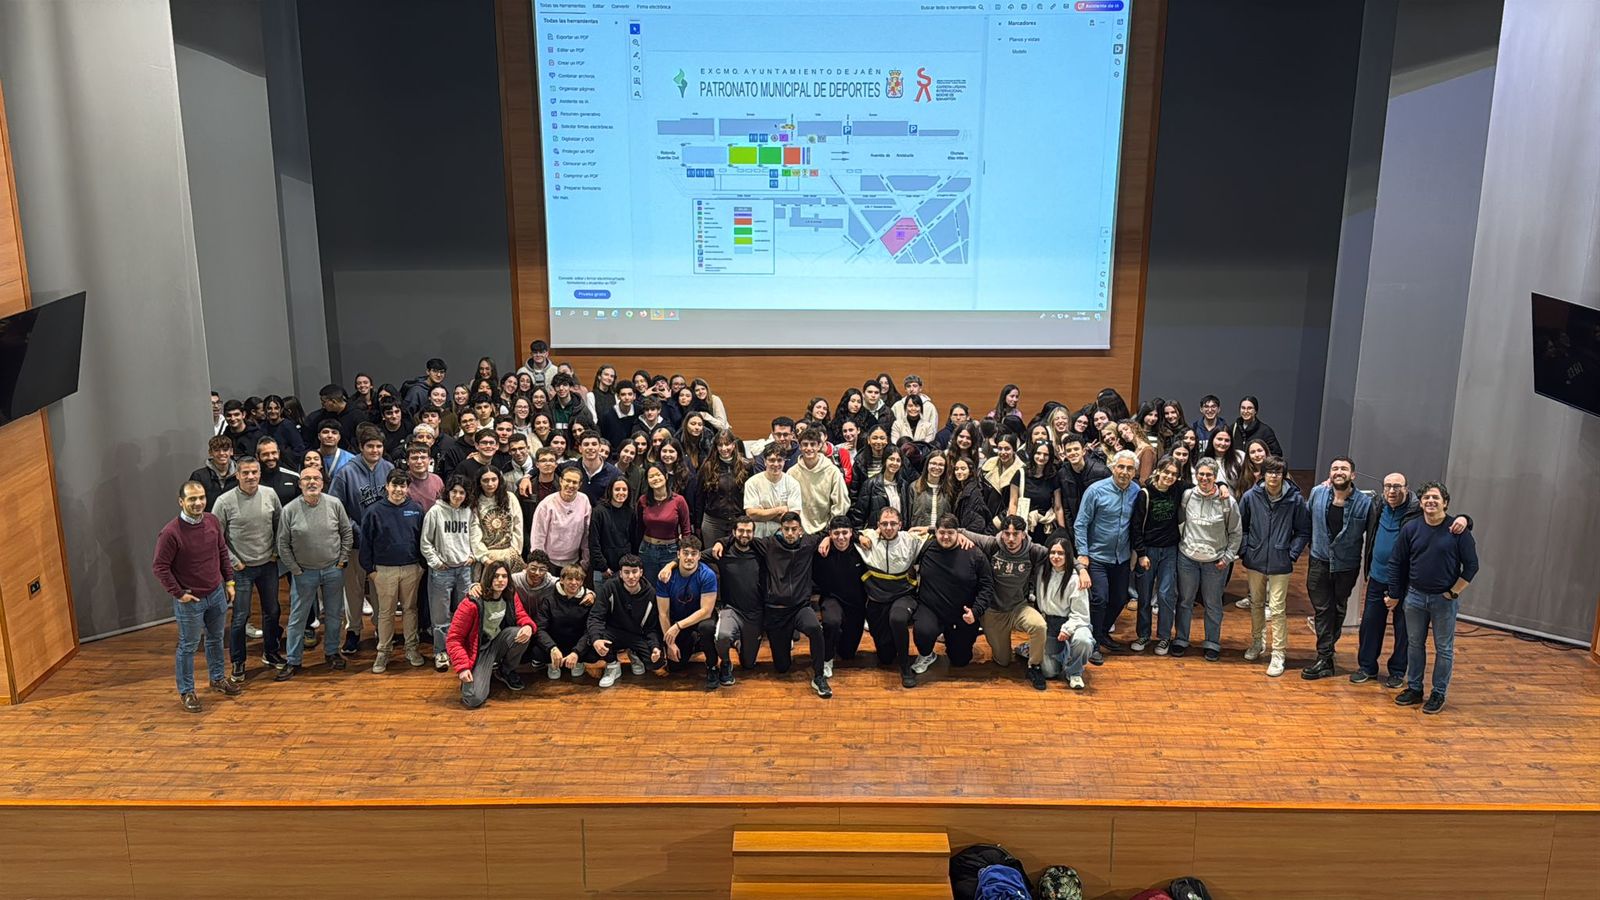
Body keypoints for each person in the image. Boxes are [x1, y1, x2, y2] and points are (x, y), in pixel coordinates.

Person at [1353, 474, 1470, 687]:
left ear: (1407, 489)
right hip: (1378, 577)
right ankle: (1367, 667)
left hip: (1406, 581)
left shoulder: (1417, 509)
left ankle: (1397, 671)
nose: (1392, 490)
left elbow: (1443, 515)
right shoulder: (1377, 505)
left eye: (1397, 486)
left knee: (1405, 630)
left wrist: (1465, 519)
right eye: (1387, 486)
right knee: (1370, 624)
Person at [712, 511, 832, 698]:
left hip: (800, 607)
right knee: (782, 667)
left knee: (815, 628)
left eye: (794, 529)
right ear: (780, 529)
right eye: (786, 529)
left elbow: (829, 532)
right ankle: (788, 638)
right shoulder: (768, 544)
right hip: (776, 612)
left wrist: (826, 539)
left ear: (800, 530)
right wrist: (721, 541)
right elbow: (742, 537)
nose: (790, 533)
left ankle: (819, 676)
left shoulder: (809, 542)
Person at [1389, 482, 1479, 714]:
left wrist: (1453, 592)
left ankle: (1438, 692)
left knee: (1444, 649)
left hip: (1444, 600)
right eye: (1426, 497)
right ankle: (1415, 688)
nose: (1430, 501)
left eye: (1435, 498)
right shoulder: (1411, 528)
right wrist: (1395, 593)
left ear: (1445, 503)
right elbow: (1397, 561)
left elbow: (1471, 566)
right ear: (1420, 503)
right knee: (1415, 644)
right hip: (1415, 597)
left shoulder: (1458, 530)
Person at [152, 481, 242, 712]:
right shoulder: (171, 532)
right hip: (191, 601)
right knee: (188, 646)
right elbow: (160, 567)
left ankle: (218, 678)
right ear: (181, 501)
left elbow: (222, 551)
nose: (198, 502)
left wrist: (229, 581)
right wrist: (179, 594)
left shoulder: (212, 521)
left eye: (201, 497)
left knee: (215, 640)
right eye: (192, 499)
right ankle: (187, 691)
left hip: (216, 593)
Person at [275, 468, 354, 679]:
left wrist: (342, 560)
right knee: (297, 618)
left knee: (335, 614)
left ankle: (332, 652)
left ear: (322, 482)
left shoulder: (334, 504)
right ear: (300, 484)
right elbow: (282, 544)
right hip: (303, 573)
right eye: (307, 479)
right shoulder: (289, 510)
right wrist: (295, 569)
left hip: (333, 570)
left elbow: (346, 533)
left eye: (316, 478)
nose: (312, 482)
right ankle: (293, 660)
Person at [212, 456, 284, 682]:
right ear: (237, 475)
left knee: (272, 611)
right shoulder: (224, 502)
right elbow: (217, 538)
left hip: (268, 565)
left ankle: (271, 653)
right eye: (246, 473)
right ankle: (238, 661)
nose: (251, 476)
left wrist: (274, 552)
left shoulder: (270, 494)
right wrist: (235, 562)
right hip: (241, 568)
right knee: (240, 617)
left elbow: (279, 525)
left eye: (254, 472)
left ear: (260, 473)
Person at [1237, 457, 1311, 677]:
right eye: (1269, 472)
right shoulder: (1251, 497)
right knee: (1256, 603)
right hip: (1255, 559)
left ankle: (1278, 653)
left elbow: (1303, 530)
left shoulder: (1295, 500)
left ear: (1284, 475)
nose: (1273, 477)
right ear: (1262, 474)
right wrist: (1245, 550)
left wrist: (1292, 554)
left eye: (1278, 473)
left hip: (1281, 561)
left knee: (1277, 609)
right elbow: (1241, 525)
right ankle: (1257, 642)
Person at [1301, 456, 1372, 680]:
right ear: (1329, 474)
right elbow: (1307, 520)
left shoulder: (1366, 502)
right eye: (1334, 468)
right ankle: (1325, 655)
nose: (1338, 471)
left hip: (1347, 565)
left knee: (1338, 608)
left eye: (1344, 469)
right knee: (1323, 609)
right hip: (1319, 560)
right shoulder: (1317, 493)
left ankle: (1326, 656)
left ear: (1353, 475)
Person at [904, 514, 994, 688]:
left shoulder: (974, 553)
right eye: (941, 532)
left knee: (960, 660)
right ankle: (927, 654)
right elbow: (896, 536)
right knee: (923, 631)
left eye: (950, 533)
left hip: (962, 613)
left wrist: (976, 611)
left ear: (957, 532)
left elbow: (987, 585)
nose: (945, 537)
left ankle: (951, 638)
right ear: (935, 532)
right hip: (931, 609)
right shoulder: (926, 547)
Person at [962, 515, 1051, 690]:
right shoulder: (992, 544)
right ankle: (1022, 648)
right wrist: (930, 530)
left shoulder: (1034, 551)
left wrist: (1081, 569)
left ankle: (1034, 665)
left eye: (1015, 534)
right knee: (1003, 661)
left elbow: (1063, 554)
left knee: (1040, 626)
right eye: (1006, 533)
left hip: (1019, 607)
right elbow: (958, 531)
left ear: (1023, 534)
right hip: (994, 611)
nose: (1010, 539)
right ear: (1002, 534)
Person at [326, 425, 393, 655]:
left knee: (379, 588)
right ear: (361, 448)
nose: (375, 450)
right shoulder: (345, 472)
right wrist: (356, 529)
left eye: (379, 446)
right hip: (354, 541)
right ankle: (353, 630)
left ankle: (379, 628)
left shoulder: (389, 468)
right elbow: (336, 507)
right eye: (370, 446)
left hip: (381, 544)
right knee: (353, 589)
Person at [1073, 449, 1141, 661]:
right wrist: (1083, 554)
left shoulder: (1137, 491)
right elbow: (1081, 523)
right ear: (1113, 467)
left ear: (1134, 471)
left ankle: (1101, 634)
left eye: (1129, 468)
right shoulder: (1095, 491)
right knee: (1099, 599)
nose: (1124, 471)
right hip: (1097, 557)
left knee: (1120, 598)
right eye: (1121, 466)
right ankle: (1092, 642)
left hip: (1121, 557)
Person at [360, 471, 426, 673]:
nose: (398, 490)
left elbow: (422, 539)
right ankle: (384, 652)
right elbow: (365, 543)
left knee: (410, 609)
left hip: (411, 568)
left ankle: (411, 648)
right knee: (386, 612)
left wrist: (421, 566)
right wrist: (370, 569)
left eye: (403, 486)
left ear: (408, 488)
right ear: (387, 486)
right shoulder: (374, 511)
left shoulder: (416, 509)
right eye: (394, 485)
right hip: (383, 570)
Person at [1175, 458, 1241, 661]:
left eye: (1209, 475)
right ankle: (1181, 639)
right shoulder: (1187, 496)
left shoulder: (1227, 501)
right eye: (1201, 474)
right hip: (1188, 558)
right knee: (1185, 601)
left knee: (1213, 604)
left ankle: (1212, 642)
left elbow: (1236, 532)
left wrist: (1228, 557)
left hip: (1215, 561)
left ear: (1215, 477)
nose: (1204, 478)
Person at [446, 560, 536, 708]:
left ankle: (505, 671)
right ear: (488, 578)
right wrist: (462, 667)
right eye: (495, 576)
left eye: (504, 576)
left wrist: (528, 626)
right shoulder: (471, 603)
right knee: (473, 698)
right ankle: (479, 673)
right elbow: (454, 638)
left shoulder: (510, 595)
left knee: (521, 633)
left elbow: (521, 615)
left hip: (498, 641)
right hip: (478, 651)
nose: (500, 580)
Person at [853, 506, 926, 684]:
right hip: (877, 599)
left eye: (893, 523)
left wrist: (930, 529)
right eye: (884, 523)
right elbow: (844, 530)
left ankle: (905, 667)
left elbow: (944, 534)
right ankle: (892, 652)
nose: (888, 527)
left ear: (900, 525)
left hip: (903, 594)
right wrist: (858, 536)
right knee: (885, 657)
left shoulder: (910, 540)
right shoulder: (868, 536)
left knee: (897, 619)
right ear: (878, 525)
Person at [1130, 457, 1184, 654]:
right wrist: (1142, 553)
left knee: (1165, 594)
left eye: (1174, 474)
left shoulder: (1178, 490)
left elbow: (1202, 482)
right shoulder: (1144, 494)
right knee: (1144, 596)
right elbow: (1135, 527)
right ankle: (1143, 635)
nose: (1169, 476)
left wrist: (1220, 484)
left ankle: (1164, 637)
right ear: (1158, 471)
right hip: (1148, 551)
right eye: (1166, 472)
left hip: (1170, 550)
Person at [421, 474, 475, 672]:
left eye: (462, 493)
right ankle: (441, 651)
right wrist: (435, 562)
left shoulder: (468, 512)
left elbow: (474, 536)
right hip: (442, 572)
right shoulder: (435, 512)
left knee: (465, 612)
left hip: (464, 569)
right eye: (455, 492)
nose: (458, 496)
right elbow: (425, 542)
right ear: (448, 492)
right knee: (440, 616)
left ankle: (461, 648)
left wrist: (473, 555)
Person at [652, 536, 721, 689]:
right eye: (686, 553)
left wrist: (677, 627)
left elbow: (706, 611)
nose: (689, 557)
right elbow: (663, 613)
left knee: (706, 628)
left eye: (694, 553)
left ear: (699, 556)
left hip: (700, 619)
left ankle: (712, 666)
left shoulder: (707, 575)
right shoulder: (666, 576)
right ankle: (694, 642)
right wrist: (670, 644)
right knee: (676, 667)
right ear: (678, 554)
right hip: (679, 618)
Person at [587, 554, 665, 688]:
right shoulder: (610, 586)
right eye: (626, 572)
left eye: (634, 572)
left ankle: (634, 653)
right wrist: (596, 639)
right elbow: (596, 616)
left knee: (656, 662)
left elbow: (652, 627)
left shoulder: (650, 593)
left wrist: (655, 647)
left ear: (641, 572)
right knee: (592, 646)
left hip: (637, 634)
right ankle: (612, 665)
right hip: (612, 632)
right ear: (621, 574)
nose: (631, 577)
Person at [1037, 534, 1095, 690]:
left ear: (1068, 555)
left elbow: (1081, 615)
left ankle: (1075, 672)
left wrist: (1067, 629)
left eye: (1061, 553)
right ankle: (1061, 653)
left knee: (1084, 641)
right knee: (1048, 672)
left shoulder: (1076, 579)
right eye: (1053, 552)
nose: (1056, 556)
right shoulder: (1042, 572)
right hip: (1049, 623)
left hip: (1073, 623)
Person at [811, 517, 867, 679]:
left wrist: (858, 536)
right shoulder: (822, 551)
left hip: (856, 604)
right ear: (830, 534)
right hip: (831, 599)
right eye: (836, 533)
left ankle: (837, 639)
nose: (841, 537)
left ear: (851, 533)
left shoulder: (860, 550)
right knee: (832, 622)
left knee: (847, 654)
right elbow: (811, 537)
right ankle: (827, 659)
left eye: (845, 533)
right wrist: (825, 538)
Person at [533, 564, 599, 680]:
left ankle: (578, 661)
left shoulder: (589, 600)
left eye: (578, 579)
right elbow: (540, 628)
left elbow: (590, 629)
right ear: (562, 580)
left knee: (594, 651)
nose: (574, 582)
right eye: (570, 578)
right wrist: (552, 648)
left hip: (577, 644)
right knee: (535, 651)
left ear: (582, 582)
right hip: (555, 643)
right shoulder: (548, 598)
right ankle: (552, 662)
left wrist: (577, 652)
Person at [530, 465, 592, 570]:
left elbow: (587, 533)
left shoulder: (584, 500)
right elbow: (538, 536)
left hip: (574, 561)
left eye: (574, 482)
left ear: (580, 484)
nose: (570, 485)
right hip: (549, 562)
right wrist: (539, 564)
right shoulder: (546, 504)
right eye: (567, 480)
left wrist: (585, 561)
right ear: (561, 481)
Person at [788, 431, 850, 534]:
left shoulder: (832, 471)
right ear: (800, 447)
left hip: (825, 529)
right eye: (805, 444)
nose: (809, 448)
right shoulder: (792, 473)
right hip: (799, 531)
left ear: (819, 446)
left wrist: (830, 527)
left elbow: (841, 503)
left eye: (813, 444)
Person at [697, 430, 749, 546]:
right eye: (720, 445)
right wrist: (697, 525)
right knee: (713, 558)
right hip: (713, 522)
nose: (724, 448)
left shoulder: (746, 466)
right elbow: (700, 498)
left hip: (737, 521)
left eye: (727, 444)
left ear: (734, 445)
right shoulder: (707, 467)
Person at [470, 467, 525, 571]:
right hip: (487, 557)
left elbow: (518, 525)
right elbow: (474, 534)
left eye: (494, 479)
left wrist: (515, 551)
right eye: (485, 480)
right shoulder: (475, 503)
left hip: (510, 553)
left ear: (499, 480)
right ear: (479, 482)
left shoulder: (510, 497)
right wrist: (485, 558)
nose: (490, 484)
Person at [743, 445, 802, 538]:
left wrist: (763, 513)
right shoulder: (752, 483)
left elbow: (792, 518)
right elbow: (751, 514)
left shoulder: (793, 484)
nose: (776, 464)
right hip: (758, 536)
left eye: (779, 460)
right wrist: (780, 510)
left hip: (783, 537)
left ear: (784, 461)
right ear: (765, 462)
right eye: (771, 460)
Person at [1055, 434, 1109, 535]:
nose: (1073, 453)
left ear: (1083, 451)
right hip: (1077, 527)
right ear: (1065, 454)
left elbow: (1109, 503)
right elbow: (1066, 508)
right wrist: (1071, 534)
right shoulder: (1062, 474)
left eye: (1076, 449)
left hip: (1100, 527)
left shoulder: (1101, 471)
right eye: (1069, 450)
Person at [589, 477, 639, 583]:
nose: (621, 492)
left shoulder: (631, 512)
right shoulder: (599, 512)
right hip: (603, 570)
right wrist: (603, 566)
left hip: (624, 569)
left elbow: (634, 541)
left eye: (624, 490)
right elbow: (594, 543)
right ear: (610, 490)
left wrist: (629, 565)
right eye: (617, 489)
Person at [189, 435, 239, 511]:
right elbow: (192, 503)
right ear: (210, 452)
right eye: (216, 450)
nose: (221, 453)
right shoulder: (198, 476)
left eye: (225, 450)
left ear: (231, 451)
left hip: (235, 520)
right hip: (208, 520)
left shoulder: (240, 475)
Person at [1229, 395, 1283, 459]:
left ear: (1255, 411)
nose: (1246, 411)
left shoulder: (1265, 431)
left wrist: (1261, 462)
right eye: (1243, 408)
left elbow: (1276, 454)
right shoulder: (1233, 428)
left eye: (1249, 408)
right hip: (1237, 468)